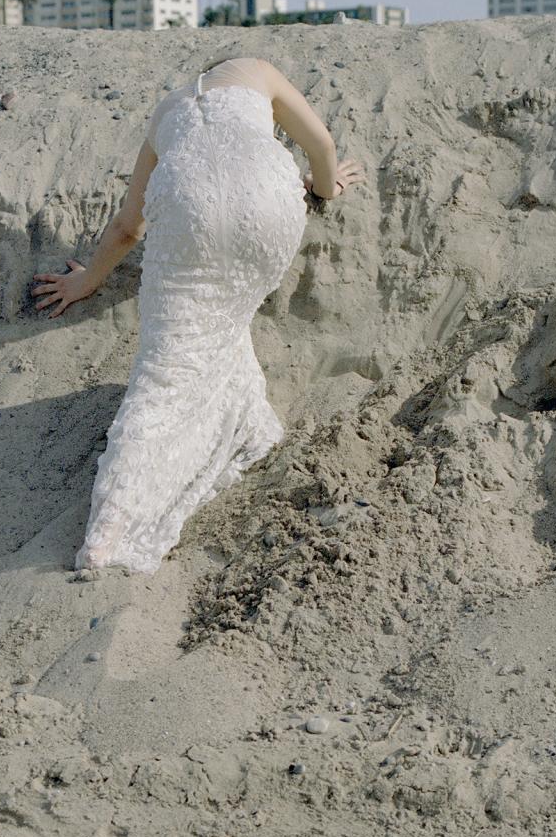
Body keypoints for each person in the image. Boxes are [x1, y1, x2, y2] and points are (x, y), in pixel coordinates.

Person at [31, 55, 365, 573]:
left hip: (190, 211)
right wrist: (323, 188)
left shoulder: (165, 113)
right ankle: (236, 428)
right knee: (226, 316)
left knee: (165, 371)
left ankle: (108, 535)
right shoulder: (258, 71)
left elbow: (128, 228)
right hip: (269, 201)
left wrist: (87, 280)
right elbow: (321, 146)